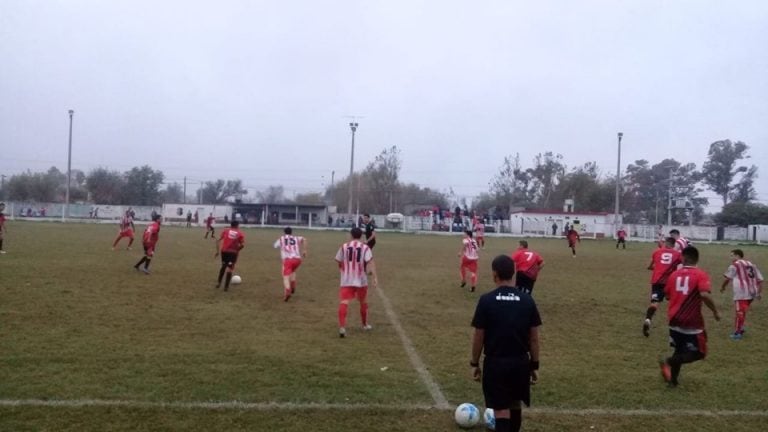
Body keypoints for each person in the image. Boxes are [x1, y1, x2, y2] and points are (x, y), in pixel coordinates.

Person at [470, 255, 541, 432]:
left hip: (496, 363)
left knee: (501, 410)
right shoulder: (527, 300)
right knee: (515, 405)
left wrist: (474, 363)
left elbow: (479, 336)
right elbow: (534, 338)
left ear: (495, 274)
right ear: (514, 274)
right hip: (520, 362)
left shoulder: (486, 300)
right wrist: (534, 365)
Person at [659, 246, 720, 387]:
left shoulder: (674, 275)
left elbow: (667, 295)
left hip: (674, 319)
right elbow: (704, 294)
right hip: (692, 320)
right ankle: (668, 362)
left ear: (683, 258)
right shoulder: (700, 274)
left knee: (679, 350)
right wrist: (715, 311)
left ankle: (673, 381)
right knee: (700, 353)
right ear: (697, 258)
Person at [334, 227, 378, 338]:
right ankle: (364, 324)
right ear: (361, 236)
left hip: (346, 279)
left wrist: (342, 269)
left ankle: (342, 327)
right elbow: (370, 262)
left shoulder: (344, 246)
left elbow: (338, 260)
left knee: (344, 302)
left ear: (351, 235)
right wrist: (374, 277)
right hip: (361, 279)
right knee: (363, 301)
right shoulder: (365, 247)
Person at [720, 249, 763, 340]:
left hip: (741, 293)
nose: (730, 257)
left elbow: (727, 278)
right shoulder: (751, 264)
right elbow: (760, 279)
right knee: (742, 311)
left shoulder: (734, 265)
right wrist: (759, 292)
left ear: (737, 256)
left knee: (739, 312)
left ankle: (737, 333)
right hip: (752, 292)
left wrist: (722, 287)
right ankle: (741, 327)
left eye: (732, 255)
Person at [643, 237, 682, 337]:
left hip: (657, 281)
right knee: (674, 302)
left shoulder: (657, 252)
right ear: (673, 245)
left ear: (665, 243)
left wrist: (657, 269)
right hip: (670, 282)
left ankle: (648, 319)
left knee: (654, 303)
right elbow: (682, 266)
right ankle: (677, 325)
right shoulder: (677, 254)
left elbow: (649, 267)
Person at [273, 227, 308, 301]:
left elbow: (275, 246)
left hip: (288, 260)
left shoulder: (281, 238)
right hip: (298, 260)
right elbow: (304, 239)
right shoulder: (295, 238)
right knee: (292, 271)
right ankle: (293, 285)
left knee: (285, 276)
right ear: (291, 232)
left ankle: (287, 291)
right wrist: (304, 251)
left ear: (284, 232)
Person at [214, 220, 245, 291]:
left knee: (223, 266)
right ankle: (226, 287)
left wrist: (217, 252)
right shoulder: (240, 233)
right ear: (237, 225)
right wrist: (237, 250)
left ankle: (219, 283)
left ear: (231, 225)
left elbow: (217, 240)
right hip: (233, 253)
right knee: (230, 269)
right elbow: (242, 245)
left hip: (224, 251)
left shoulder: (225, 231)